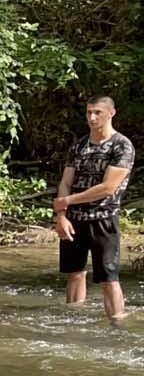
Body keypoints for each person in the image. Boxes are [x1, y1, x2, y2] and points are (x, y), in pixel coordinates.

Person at [56, 95, 134, 321]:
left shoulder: (122, 146)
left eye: (97, 112)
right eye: (89, 112)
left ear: (111, 113)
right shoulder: (79, 145)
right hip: (73, 219)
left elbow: (108, 188)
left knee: (109, 278)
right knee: (75, 274)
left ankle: (117, 323)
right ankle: (73, 321)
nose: (91, 117)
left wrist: (68, 201)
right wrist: (61, 215)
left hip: (104, 218)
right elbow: (65, 182)